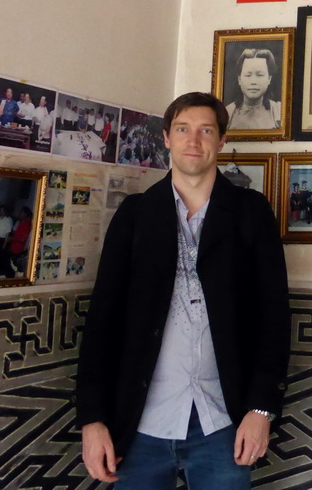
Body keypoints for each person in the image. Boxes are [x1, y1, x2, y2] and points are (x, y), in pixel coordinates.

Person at [76, 92, 290, 489]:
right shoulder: (135, 214)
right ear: (166, 138)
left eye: (206, 131)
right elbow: (103, 321)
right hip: (140, 422)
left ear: (221, 141)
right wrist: (92, 419)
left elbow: (273, 319)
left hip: (224, 421)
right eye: (183, 130)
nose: (194, 141)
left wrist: (262, 409)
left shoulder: (251, 212)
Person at [227, 48, 282, 131]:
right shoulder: (227, 113)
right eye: (248, 75)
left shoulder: (279, 111)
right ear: (239, 79)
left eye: (260, 75)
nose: (253, 82)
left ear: (269, 79)